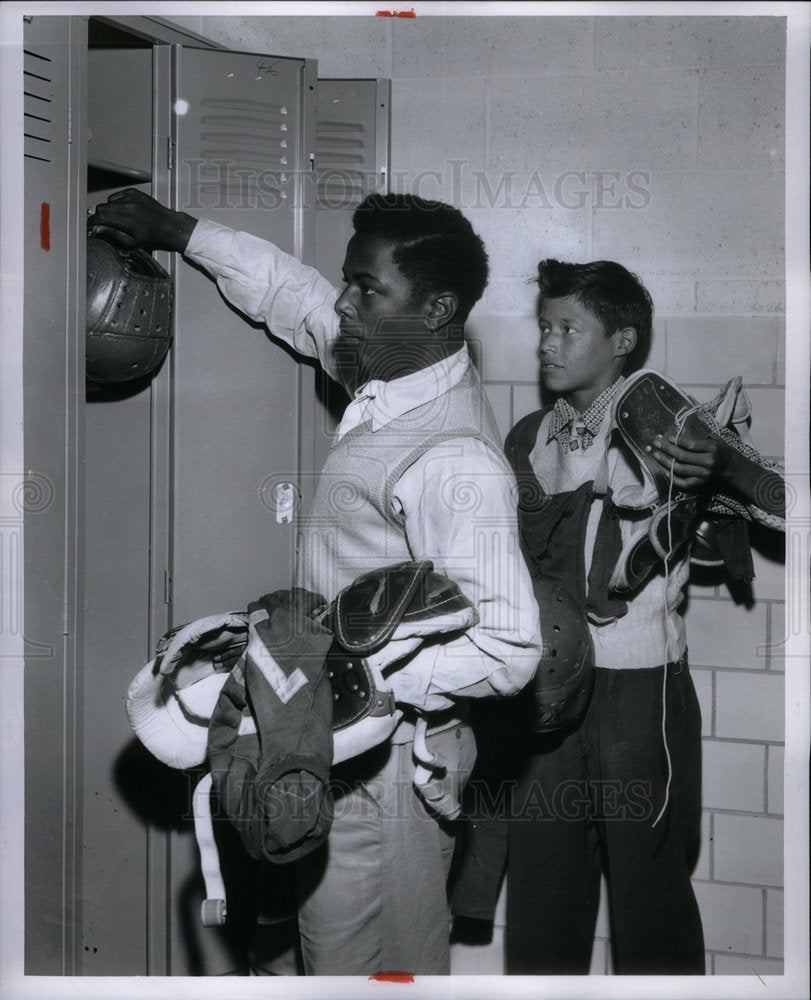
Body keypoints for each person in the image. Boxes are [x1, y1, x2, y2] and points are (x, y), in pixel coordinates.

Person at [89, 189, 542, 976]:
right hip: (317, 745)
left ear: (435, 308)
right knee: (287, 956)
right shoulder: (390, 363)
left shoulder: (452, 456)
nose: (344, 301)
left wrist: (356, 671)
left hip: (388, 766)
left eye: (367, 289)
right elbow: (292, 295)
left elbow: (510, 646)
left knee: (362, 970)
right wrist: (180, 232)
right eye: (351, 279)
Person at [450, 258, 785, 975]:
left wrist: (719, 470)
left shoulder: (670, 425)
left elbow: (784, 509)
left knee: (648, 894)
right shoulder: (530, 437)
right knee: (542, 894)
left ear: (623, 340)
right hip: (545, 688)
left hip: (640, 693)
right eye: (544, 326)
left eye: (569, 328)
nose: (548, 343)